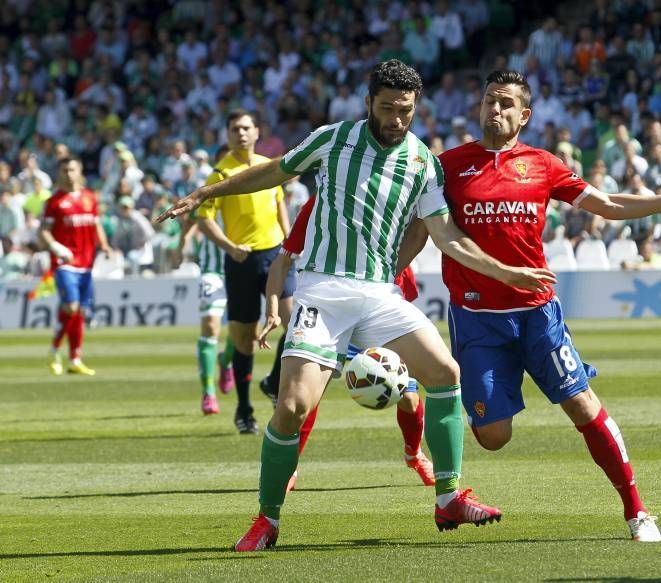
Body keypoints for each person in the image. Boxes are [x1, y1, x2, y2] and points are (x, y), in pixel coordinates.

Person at [157, 60, 554, 551]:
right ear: (368, 103)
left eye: (405, 110)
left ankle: (448, 497)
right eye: (387, 108)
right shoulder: (333, 139)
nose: (396, 119)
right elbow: (271, 173)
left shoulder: (423, 161)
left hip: (380, 293)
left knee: (445, 373)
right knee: (292, 406)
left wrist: (506, 271)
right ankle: (268, 518)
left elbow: (446, 236)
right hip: (323, 290)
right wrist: (204, 193)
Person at [429, 70, 661, 543]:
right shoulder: (447, 166)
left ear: (524, 115)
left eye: (506, 103)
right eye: (489, 100)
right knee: (494, 437)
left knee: (583, 405)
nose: (495, 109)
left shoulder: (543, 165)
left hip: (537, 313)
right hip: (477, 319)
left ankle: (638, 512)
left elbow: (607, 204)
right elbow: (425, 227)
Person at [258, 195, 435, 490]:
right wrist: (273, 310)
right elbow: (283, 260)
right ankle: (291, 465)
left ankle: (414, 454)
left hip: (382, 306)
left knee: (408, 395)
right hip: (332, 309)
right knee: (308, 394)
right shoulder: (320, 203)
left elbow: (419, 231)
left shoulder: (392, 194)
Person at [194, 109, 292, 434]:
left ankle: (274, 382)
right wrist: (228, 246)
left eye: (246, 128)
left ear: (257, 131)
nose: (241, 134)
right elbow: (203, 217)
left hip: (275, 254)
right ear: (227, 135)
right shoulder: (221, 174)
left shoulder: (269, 167)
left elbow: (279, 204)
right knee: (245, 341)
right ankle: (244, 407)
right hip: (242, 260)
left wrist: (291, 243)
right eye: (235, 129)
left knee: (295, 325)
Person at [40, 157, 112, 376]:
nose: (68, 174)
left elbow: (96, 225)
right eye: (64, 170)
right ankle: (54, 350)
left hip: (87, 263)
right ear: (59, 173)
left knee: (79, 311)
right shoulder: (54, 202)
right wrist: (56, 247)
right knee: (71, 307)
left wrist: (105, 245)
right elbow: (42, 232)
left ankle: (74, 358)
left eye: (72, 169)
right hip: (65, 264)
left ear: (79, 171)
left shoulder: (90, 198)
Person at [178, 147, 236, 416]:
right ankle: (208, 392)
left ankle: (226, 361)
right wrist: (183, 243)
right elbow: (193, 219)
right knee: (210, 327)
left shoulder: (254, 190)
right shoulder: (210, 190)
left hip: (240, 268)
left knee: (240, 334)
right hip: (213, 269)